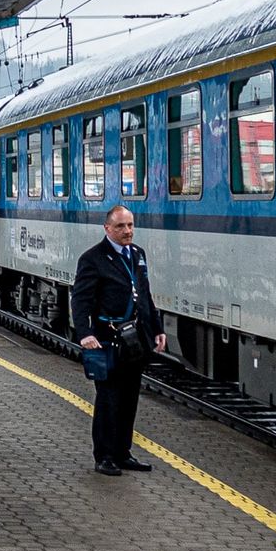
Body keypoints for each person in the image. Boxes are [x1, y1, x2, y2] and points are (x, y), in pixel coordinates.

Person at [72, 204, 167, 476]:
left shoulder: (137, 254)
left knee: (129, 399)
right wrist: (85, 334)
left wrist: (157, 328)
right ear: (107, 228)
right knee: (108, 400)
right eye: (120, 227)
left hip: (134, 341)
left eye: (130, 226)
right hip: (107, 340)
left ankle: (123, 452)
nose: (127, 232)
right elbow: (80, 300)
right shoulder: (93, 258)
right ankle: (104, 456)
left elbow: (145, 295)